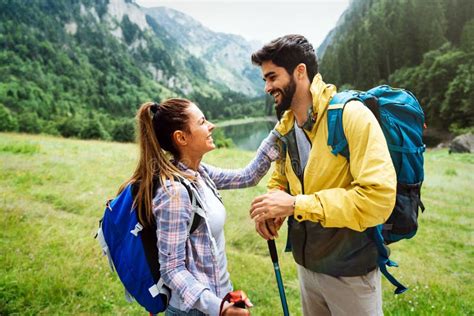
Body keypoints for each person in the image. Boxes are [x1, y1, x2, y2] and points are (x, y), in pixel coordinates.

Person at [249, 34, 397, 315]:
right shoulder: (287, 127)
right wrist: (275, 207)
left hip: (350, 272)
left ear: (300, 71)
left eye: (272, 77)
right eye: (265, 80)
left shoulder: (351, 116)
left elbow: (377, 199)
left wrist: (294, 205)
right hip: (308, 267)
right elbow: (281, 179)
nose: (267, 87)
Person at [121, 98, 279, 316]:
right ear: (181, 137)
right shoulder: (174, 193)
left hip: (220, 298)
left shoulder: (199, 173)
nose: (211, 126)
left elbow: (247, 176)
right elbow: (172, 269)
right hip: (195, 310)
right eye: (202, 122)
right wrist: (220, 308)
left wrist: (280, 133)